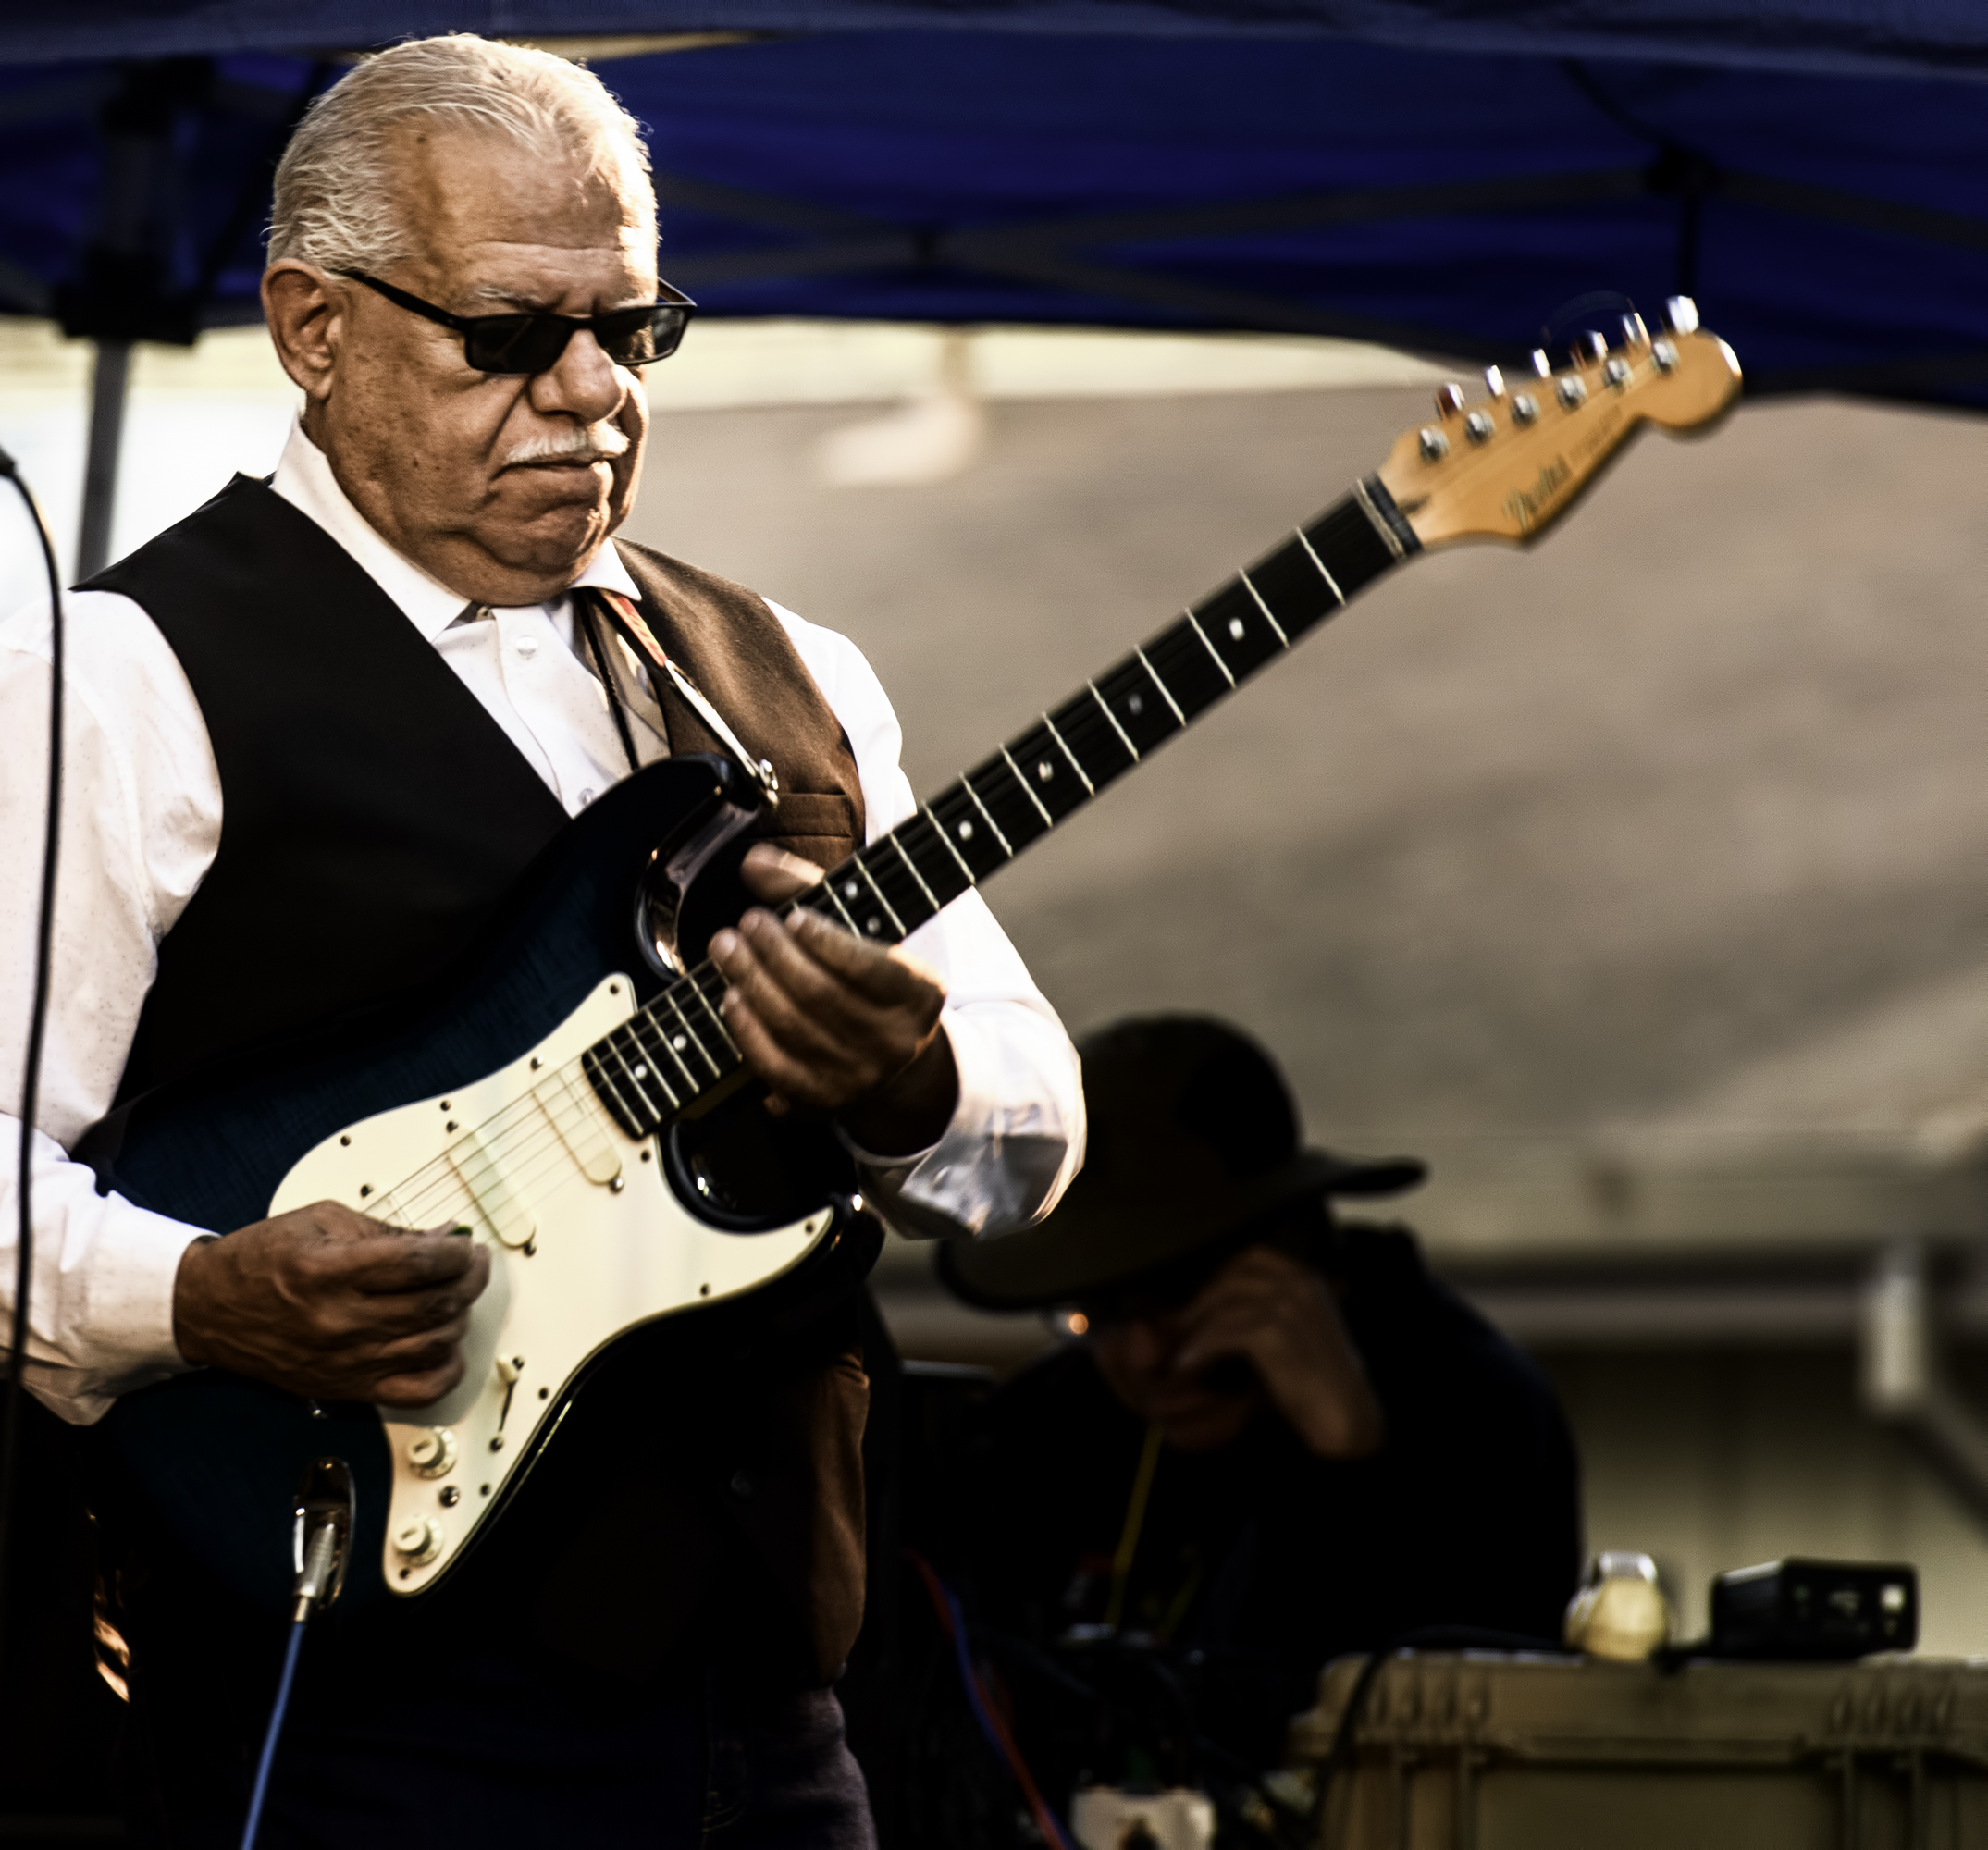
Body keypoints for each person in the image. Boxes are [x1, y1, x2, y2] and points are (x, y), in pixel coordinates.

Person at [0, 36, 1081, 1849]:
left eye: (632, 331)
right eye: (509, 336)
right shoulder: (124, 675)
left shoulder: (788, 673)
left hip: (778, 1681)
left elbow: (1029, 1135)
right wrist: (193, 1296)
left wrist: (911, 1079)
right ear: (313, 326)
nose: (591, 392)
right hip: (349, 1701)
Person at [937, 1016, 1579, 1820]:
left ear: (1295, 1244)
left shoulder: (1473, 1406)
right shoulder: (1046, 1422)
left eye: (1175, 1296)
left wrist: (1349, 1465)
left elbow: (1479, 1745)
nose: (1142, 1355)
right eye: (1096, 1309)